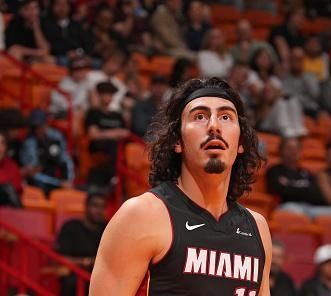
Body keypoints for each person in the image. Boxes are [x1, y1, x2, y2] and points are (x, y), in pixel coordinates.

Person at [90, 77, 272, 295]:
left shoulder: (257, 228)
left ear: (241, 142)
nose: (214, 125)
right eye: (200, 116)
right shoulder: (142, 215)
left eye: (225, 117)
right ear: (177, 141)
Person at [266, 137, 331, 218]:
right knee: (295, 212)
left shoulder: (306, 172)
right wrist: (305, 189)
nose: (293, 151)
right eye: (289, 148)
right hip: (289, 205)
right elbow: (280, 190)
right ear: (281, 151)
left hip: (311, 207)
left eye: (296, 148)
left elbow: (317, 193)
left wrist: (291, 186)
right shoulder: (275, 171)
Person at [56, 192, 107, 296]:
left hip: (100, 275)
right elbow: (61, 259)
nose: (99, 210)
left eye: (102, 207)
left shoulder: (107, 229)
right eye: (95, 205)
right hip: (74, 275)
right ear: (86, 206)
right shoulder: (70, 227)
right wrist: (86, 262)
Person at [84, 81, 129, 186]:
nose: (109, 97)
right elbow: (93, 135)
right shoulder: (93, 113)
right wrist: (114, 133)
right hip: (99, 147)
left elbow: (125, 133)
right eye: (106, 94)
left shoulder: (117, 115)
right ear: (99, 95)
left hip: (117, 147)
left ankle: (118, 180)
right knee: (113, 146)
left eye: (111, 95)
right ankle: (114, 178)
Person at [20, 109, 74, 195]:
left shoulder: (56, 137)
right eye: (35, 127)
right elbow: (33, 173)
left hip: (54, 177)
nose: (38, 130)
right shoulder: (29, 142)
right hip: (38, 182)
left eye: (40, 126)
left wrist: (68, 180)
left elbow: (65, 160)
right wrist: (57, 182)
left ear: (46, 124)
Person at [42, 0, 90, 66]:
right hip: (58, 58)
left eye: (64, 5)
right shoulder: (46, 25)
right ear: (52, 7)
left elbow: (87, 44)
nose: (62, 8)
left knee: (96, 62)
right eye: (58, 4)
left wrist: (78, 52)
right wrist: (67, 54)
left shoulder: (77, 25)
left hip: (79, 57)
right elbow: (49, 46)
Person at [0, 132, 22, 207]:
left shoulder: (12, 166)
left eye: (2, 144)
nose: (0, 148)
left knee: (8, 188)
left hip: (8, 210)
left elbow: (17, 192)